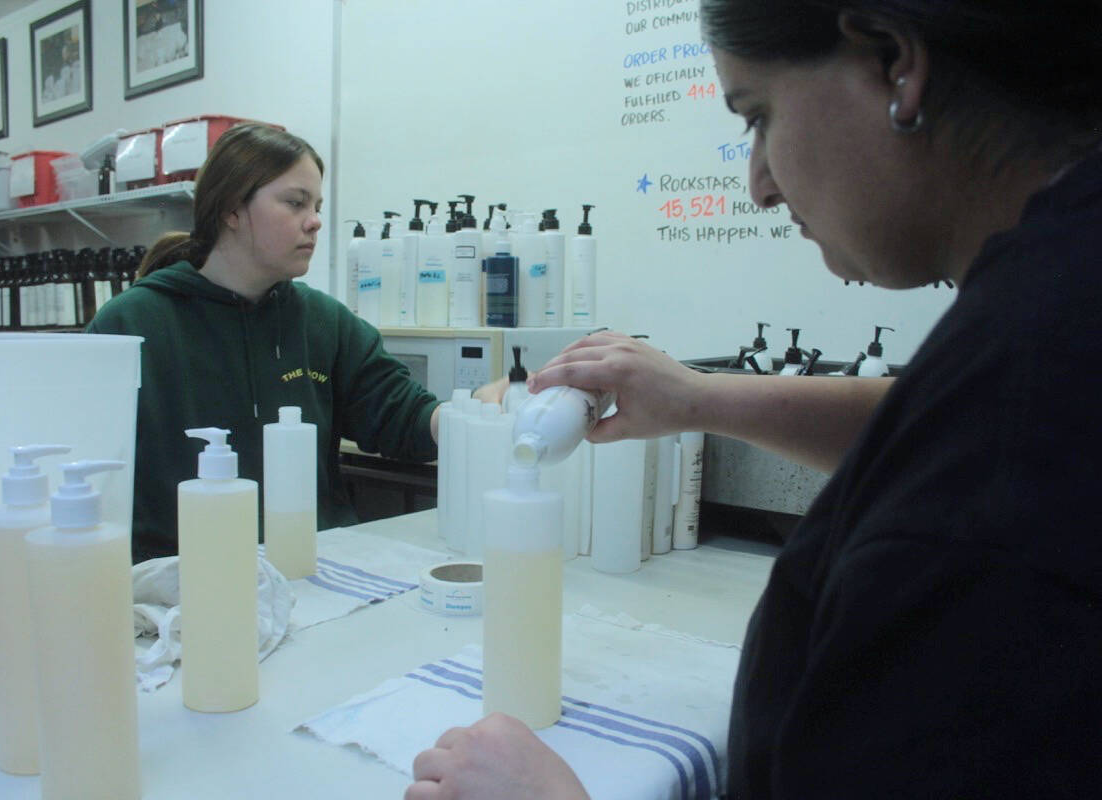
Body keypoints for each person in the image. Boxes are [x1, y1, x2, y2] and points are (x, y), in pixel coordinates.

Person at [408, 1, 1102, 797]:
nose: (760, 185)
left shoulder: (1030, 402)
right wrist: (698, 398)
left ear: (894, 63)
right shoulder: (1048, 307)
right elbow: (937, 425)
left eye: (759, 115)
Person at [88, 123, 478, 562]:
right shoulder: (130, 326)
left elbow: (401, 417)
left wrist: (476, 412)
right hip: (184, 578)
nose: (315, 221)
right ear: (231, 209)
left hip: (313, 566)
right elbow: (90, 477)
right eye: (295, 203)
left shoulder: (325, 322)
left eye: (317, 206)